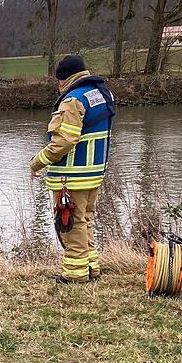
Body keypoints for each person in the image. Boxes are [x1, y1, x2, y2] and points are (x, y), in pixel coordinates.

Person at [29, 54, 115, 284]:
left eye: (58, 81)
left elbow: (63, 142)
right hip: (94, 172)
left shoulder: (72, 101)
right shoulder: (100, 93)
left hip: (72, 176)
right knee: (84, 221)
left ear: (62, 80)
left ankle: (75, 275)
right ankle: (91, 267)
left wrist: (37, 161)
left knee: (69, 225)